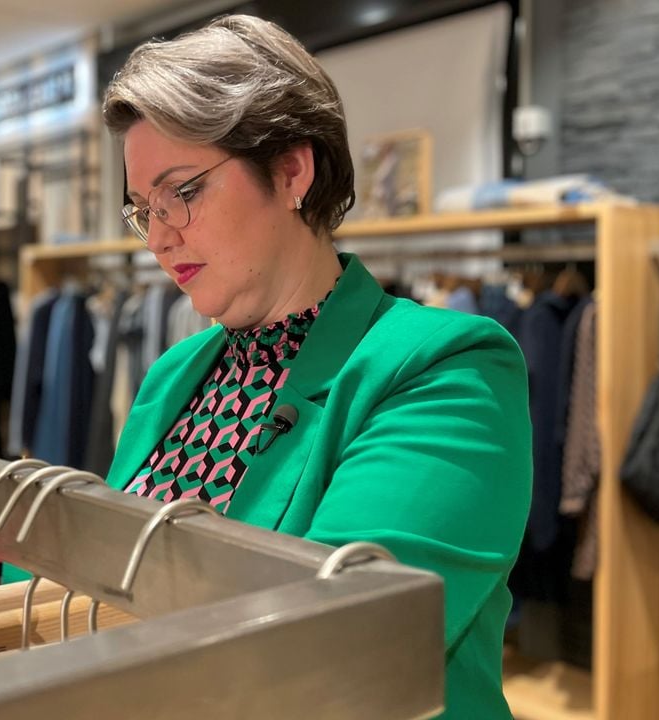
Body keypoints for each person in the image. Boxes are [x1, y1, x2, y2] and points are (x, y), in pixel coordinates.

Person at [99, 14, 530, 720]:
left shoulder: (445, 369)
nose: (160, 236)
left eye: (183, 191)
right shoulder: (173, 375)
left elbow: (345, 648)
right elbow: (104, 561)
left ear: (292, 170)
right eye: (143, 209)